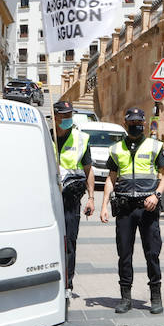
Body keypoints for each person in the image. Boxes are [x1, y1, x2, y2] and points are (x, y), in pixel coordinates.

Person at [101, 107, 164, 315]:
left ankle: (155, 296)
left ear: (144, 123)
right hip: (125, 208)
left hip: (148, 207)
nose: (135, 126)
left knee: (152, 253)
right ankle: (125, 298)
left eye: (138, 122)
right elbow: (111, 178)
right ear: (126, 124)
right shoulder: (116, 149)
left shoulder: (154, 146)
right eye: (132, 123)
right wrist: (104, 205)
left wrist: (156, 195)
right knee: (124, 254)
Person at [52, 100, 94, 299]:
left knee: (69, 241)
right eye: (64, 115)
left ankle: (67, 285)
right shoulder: (46, 136)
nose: (68, 119)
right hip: (49, 199)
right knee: (49, 240)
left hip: (70, 199)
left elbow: (88, 170)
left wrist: (91, 197)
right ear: (55, 117)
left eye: (70, 115)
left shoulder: (80, 139)